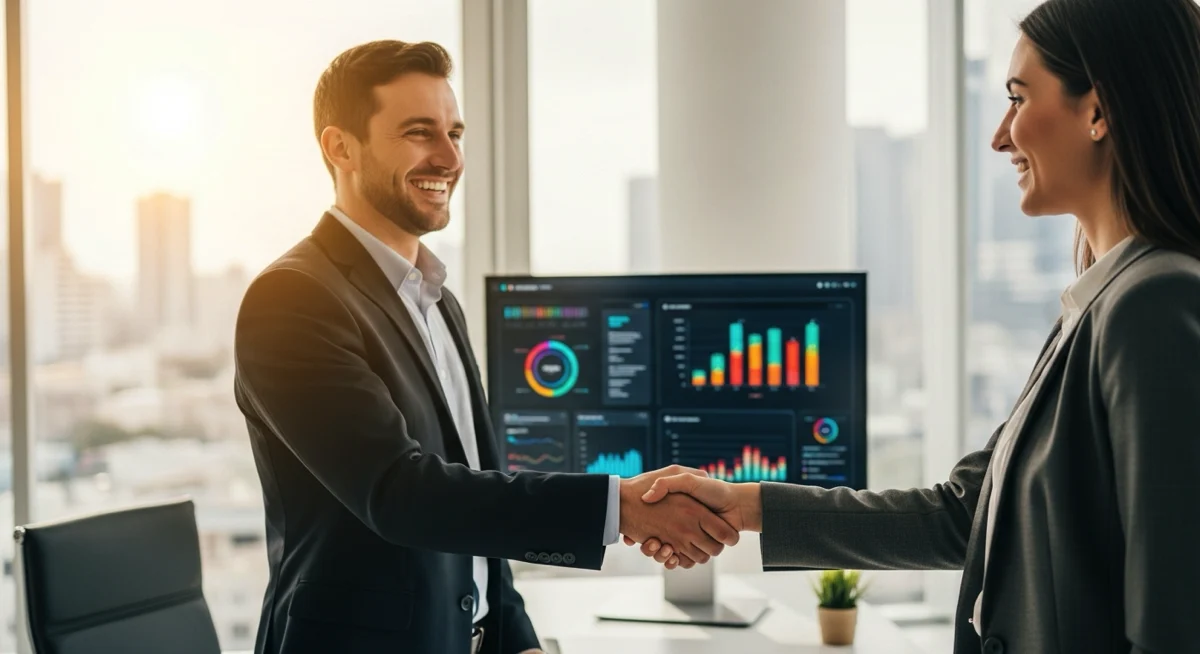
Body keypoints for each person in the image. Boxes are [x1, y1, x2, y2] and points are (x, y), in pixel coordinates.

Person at [633, 1, 1200, 652]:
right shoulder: (1098, 307)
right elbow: (964, 514)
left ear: (1098, 112)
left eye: (1018, 98)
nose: (1000, 135)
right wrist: (746, 503)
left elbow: (1174, 621)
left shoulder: (1153, 305)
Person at [233, 40, 736, 654]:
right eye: (420, 133)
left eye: (455, 132)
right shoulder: (293, 298)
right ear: (340, 148)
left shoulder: (439, 300)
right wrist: (620, 507)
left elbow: (477, 492)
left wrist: (515, 638)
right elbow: (401, 493)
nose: (448, 157)